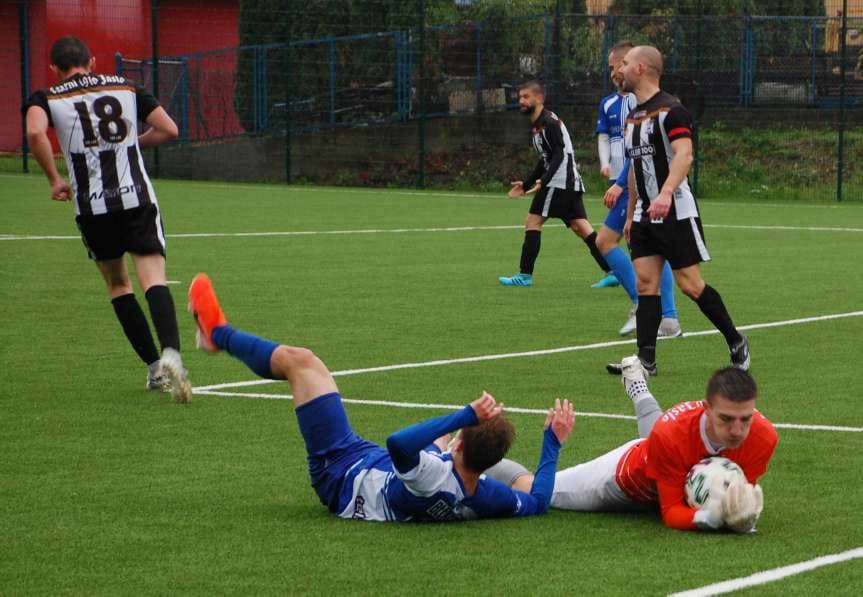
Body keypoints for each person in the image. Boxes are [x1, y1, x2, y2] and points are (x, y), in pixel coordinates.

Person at [187, 273, 575, 521]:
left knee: (301, 362)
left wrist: (463, 415)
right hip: (373, 470)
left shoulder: (432, 474)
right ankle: (216, 336)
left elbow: (398, 444)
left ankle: (216, 334)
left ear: (459, 449)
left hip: (339, 471)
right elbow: (538, 502)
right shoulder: (484, 495)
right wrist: (551, 443)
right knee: (306, 367)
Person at [23, 37, 191, 402]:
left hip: (94, 208)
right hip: (136, 198)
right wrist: (131, 143)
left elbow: (35, 131)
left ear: (54, 67)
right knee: (153, 278)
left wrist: (54, 179)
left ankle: (154, 370)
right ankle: (172, 354)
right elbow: (170, 129)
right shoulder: (126, 86)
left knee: (119, 285)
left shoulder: (47, 97)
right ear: (92, 61)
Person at [487, 358, 778, 533]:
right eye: (726, 419)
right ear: (706, 408)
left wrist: (742, 511)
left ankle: (638, 387)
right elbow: (672, 513)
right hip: (624, 482)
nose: (737, 430)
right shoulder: (672, 434)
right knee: (540, 490)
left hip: (666, 456)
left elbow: (738, 494)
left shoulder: (763, 437)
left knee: (661, 434)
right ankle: (467, 459)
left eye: (745, 419)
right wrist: (714, 518)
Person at [607, 46, 749, 376]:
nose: (620, 70)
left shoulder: (671, 110)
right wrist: (630, 215)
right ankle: (646, 361)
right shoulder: (632, 116)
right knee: (645, 283)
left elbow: (684, 155)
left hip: (674, 210)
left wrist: (666, 193)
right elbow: (634, 169)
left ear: (641, 68)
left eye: (625, 64)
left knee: (690, 284)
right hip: (644, 213)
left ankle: (735, 340)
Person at [594, 40, 681, 338]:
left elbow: (642, 151)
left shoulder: (638, 99)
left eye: (615, 66)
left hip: (637, 183)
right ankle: (665, 316)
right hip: (627, 180)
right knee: (638, 248)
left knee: (607, 241)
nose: (613, 72)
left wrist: (620, 184)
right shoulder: (614, 101)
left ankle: (647, 308)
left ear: (625, 65)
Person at [499, 81, 612, 288]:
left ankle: (525, 275)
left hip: (559, 183)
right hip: (566, 182)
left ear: (539, 99)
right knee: (581, 227)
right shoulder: (537, 125)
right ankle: (612, 270)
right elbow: (545, 159)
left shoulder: (549, 122)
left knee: (533, 222)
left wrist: (544, 181)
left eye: (526, 97)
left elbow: (559, 153)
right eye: (520, 97)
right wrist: (526, 184)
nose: (521, 101)